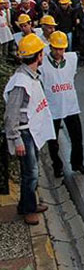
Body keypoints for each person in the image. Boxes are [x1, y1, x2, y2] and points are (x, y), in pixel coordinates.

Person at [3, 34, 55, 225]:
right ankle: (27, 209)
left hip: (30, 131)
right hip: (24, 134)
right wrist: (16, 139)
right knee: (30, 173)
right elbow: (11, 114)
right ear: (39, 56)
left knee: (33, 171)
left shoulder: (29, 76)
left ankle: (30, 201)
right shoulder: (21, 82)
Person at [40, 31, 84, 178]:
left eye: (61, 49)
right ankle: (57, 166)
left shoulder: (71, 59)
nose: (59, 52)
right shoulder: (43, 63)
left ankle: (77, 163)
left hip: (70, 105)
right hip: (52, 106)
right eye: (56, 48)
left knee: (77, 138)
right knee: (53, 140)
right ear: (50, 47)